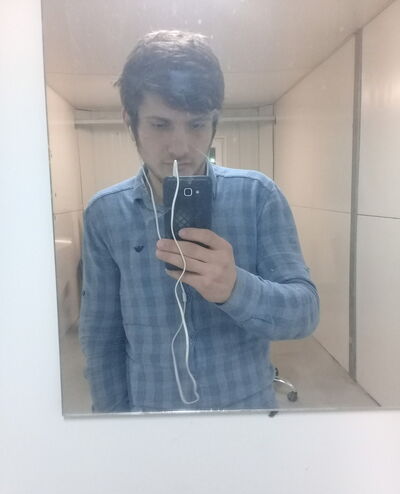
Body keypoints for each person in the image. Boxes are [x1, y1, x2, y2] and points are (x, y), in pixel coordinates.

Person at [79, 30, 319, 413]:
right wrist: (113, 430)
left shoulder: (257, 195)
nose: (180, 147)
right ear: (130, 121)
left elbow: (305, 314)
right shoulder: (105, 213)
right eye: (160, 125)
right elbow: (101, 338)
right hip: (151, 418)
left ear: (214, 122)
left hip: (245, 417)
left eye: (196, 125)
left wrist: (235, 287)